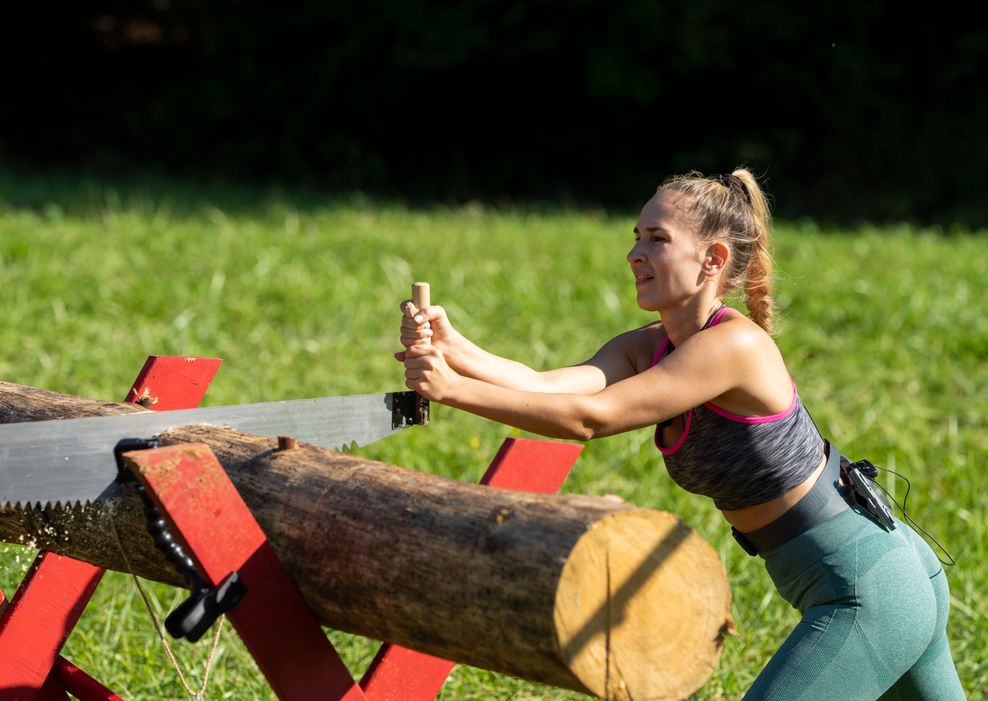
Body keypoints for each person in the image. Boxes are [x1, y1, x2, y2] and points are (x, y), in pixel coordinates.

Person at [395, 169, 966, 700]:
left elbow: (589, 420)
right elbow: (547, 386)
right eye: (636, 237)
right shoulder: (648, 345)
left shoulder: (730, 347)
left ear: (713, 258)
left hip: (871, 588)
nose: (634, 254)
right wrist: (455, 349)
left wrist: (451, 389)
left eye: (656, 240)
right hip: (870, 572)